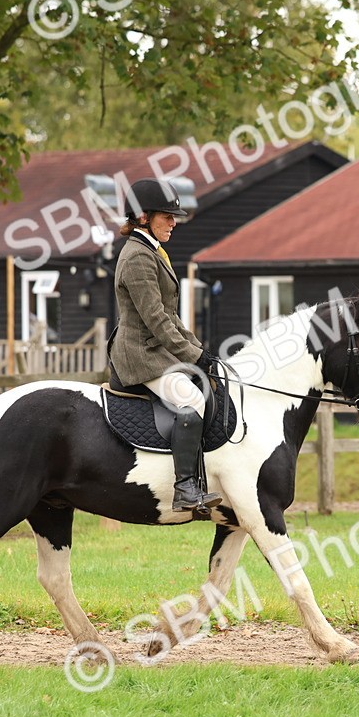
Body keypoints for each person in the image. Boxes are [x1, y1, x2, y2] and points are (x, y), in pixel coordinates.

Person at [108, 178, 221, 513]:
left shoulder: (151, 251)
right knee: (191, 398)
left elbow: (171, 318)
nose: (174, 221)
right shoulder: (138, 258)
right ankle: (185, 488)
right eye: (167, 216)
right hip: (140, 354)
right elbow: (156, 320)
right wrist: (193, 356)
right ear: (143, 217)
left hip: (156, 348)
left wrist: (200, 351)